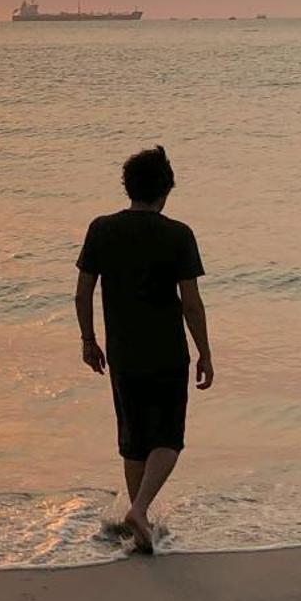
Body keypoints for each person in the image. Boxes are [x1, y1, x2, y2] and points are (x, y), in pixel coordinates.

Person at [74, 146, 213, 553]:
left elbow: (83, 292)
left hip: (122, 354)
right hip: (167, 353)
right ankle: (139, 510)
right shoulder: (177, 234)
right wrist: (204, 351)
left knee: (134, 441)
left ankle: (140, 527)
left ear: (128, 187)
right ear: (166, 189)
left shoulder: (101, 229)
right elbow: (190, 302)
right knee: (168, 439)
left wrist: (88, 340)